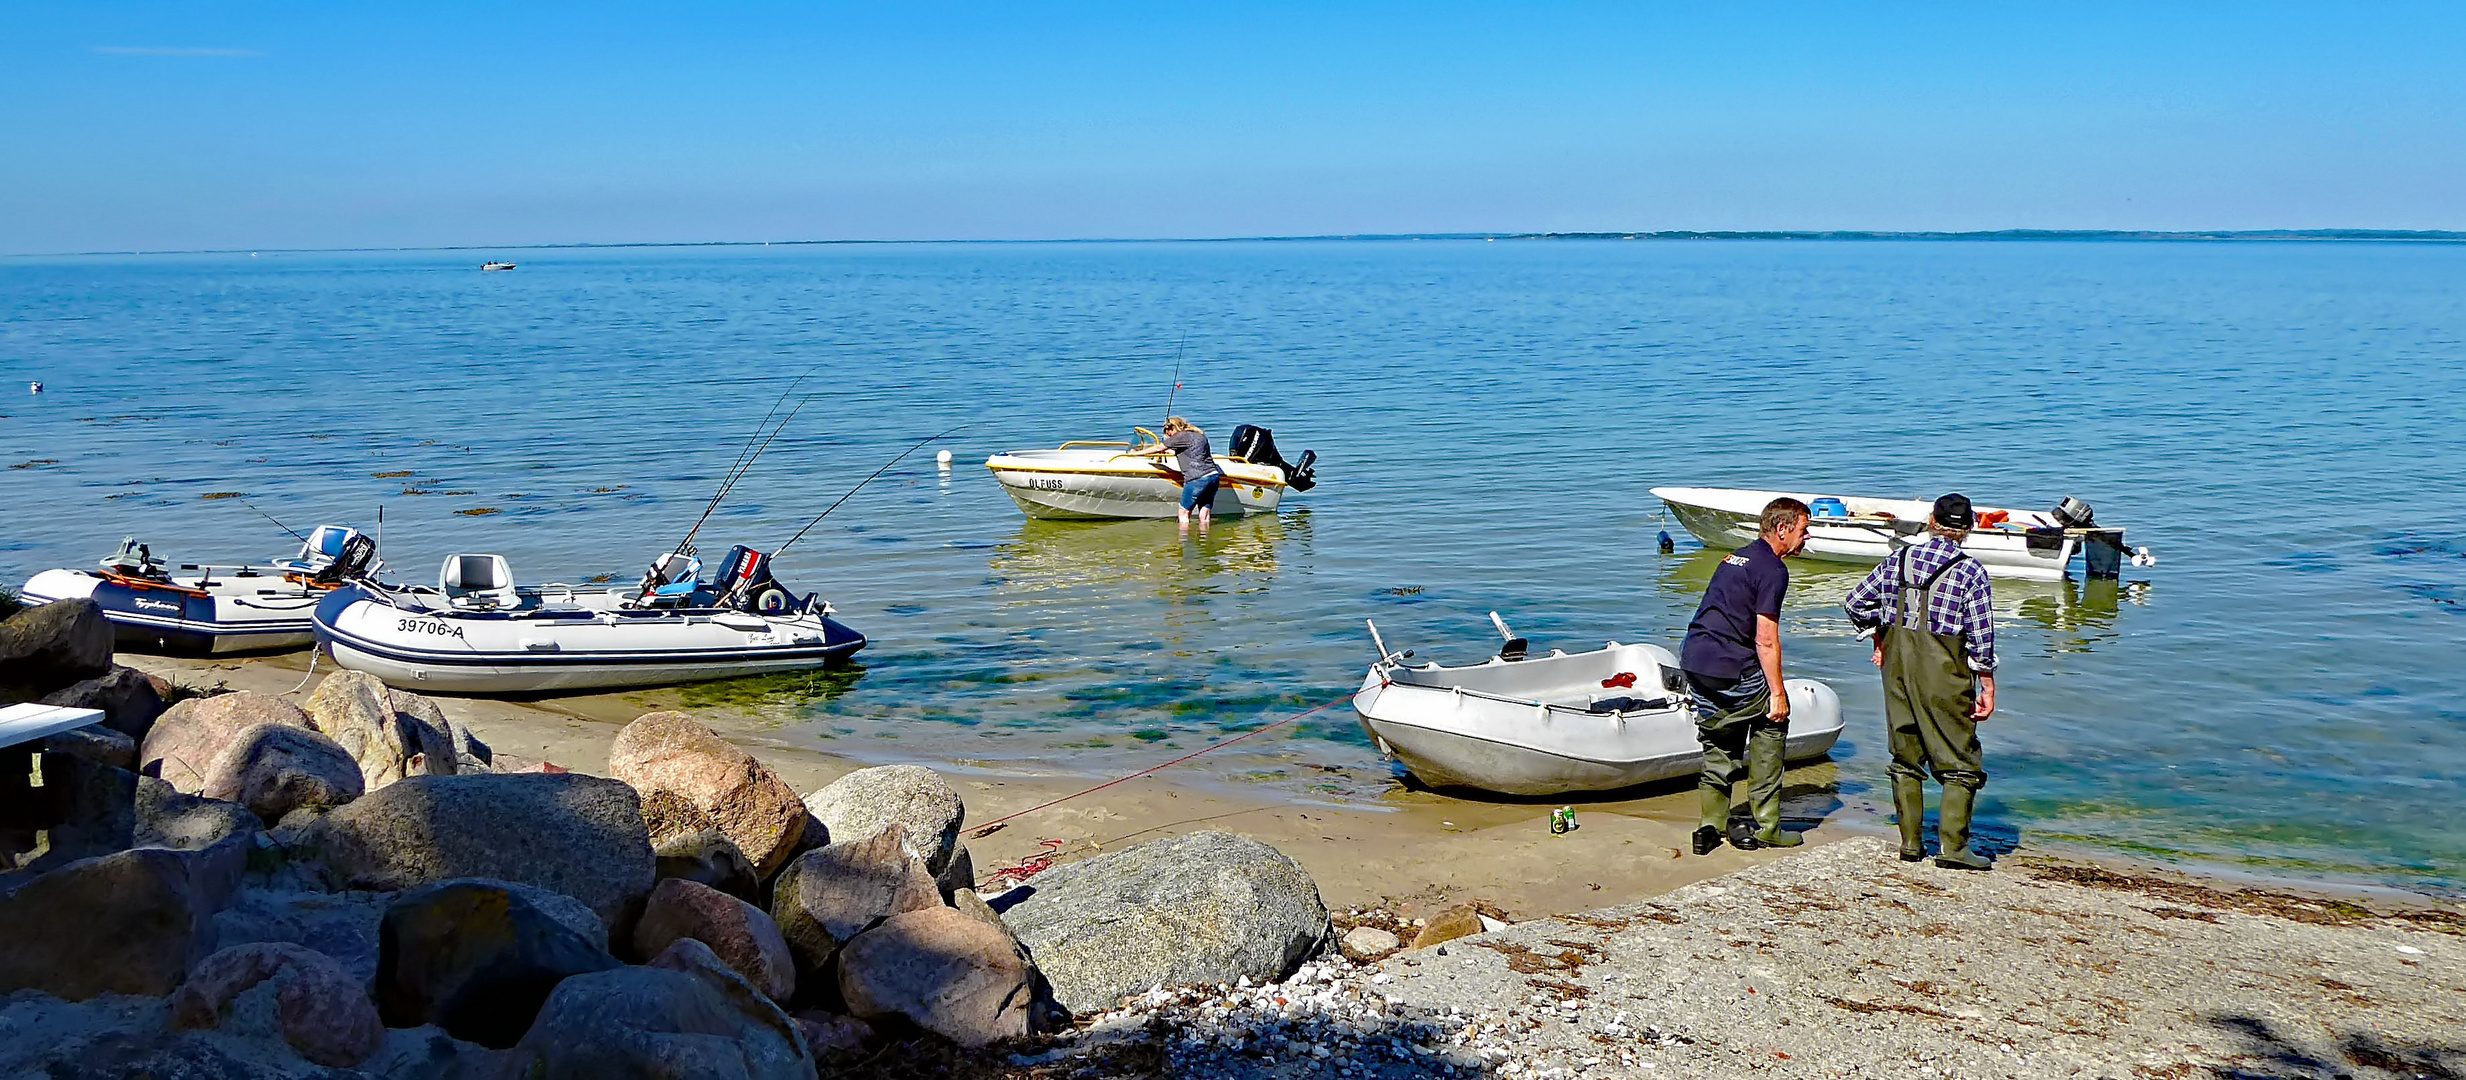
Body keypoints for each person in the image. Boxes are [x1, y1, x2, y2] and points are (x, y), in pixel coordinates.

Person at [1844, 493, 1999, 870]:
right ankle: (1953, 849)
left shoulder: (1899, 558)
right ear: (1969, 528)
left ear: (1932, 521)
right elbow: (1981, 638)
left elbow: (1854, 603)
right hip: (1943, 673)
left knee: (1905, 755)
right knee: (1960, 759)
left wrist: (1878, 636)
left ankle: (1911, 843)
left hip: (1897, 669)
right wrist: (1988, 685)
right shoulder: (1970, 571)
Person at [1678, 497, 1811, 855]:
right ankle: (1767, 825)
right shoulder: (1773, 570)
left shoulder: (1736, 556)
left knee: (1718, 737)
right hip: (1729, 663)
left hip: (1694, 658)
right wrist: (1779, 694)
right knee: (1772, 721)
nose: (1806, 538)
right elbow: (1766, 639)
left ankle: (1711, 823)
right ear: (1782, 529)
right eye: (1803, 530)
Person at [1133, 416, 1222, 529]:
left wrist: (1137, 454)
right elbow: (1181, 452)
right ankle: (1204, 539)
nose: (1168, 436)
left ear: (1173, 428)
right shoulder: (1199, 435)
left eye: (1168, 433)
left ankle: (1183, 540)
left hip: (1197, 479)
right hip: (1213, 476)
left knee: (1184, 513)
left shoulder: (1180, 436)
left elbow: (1159, 447)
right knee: (1204, 514)